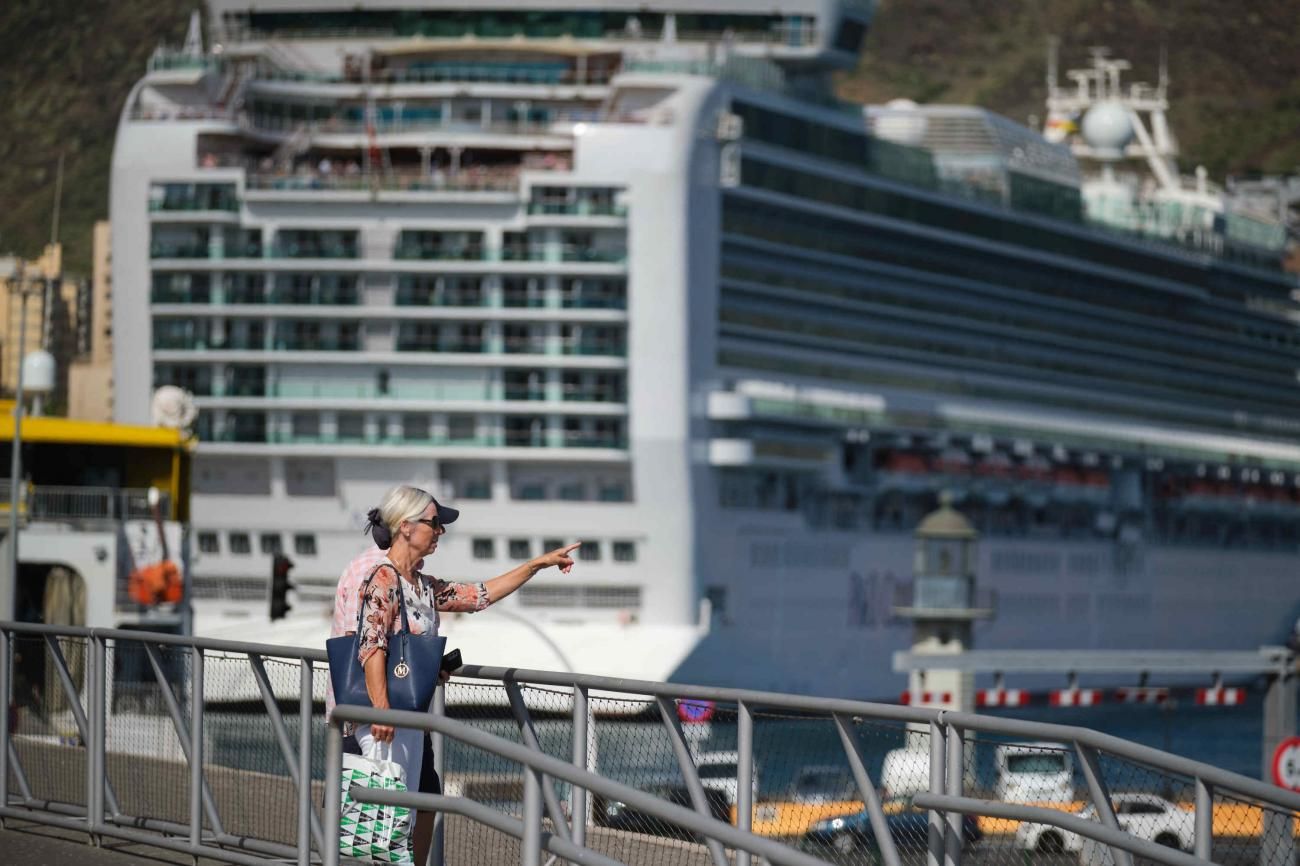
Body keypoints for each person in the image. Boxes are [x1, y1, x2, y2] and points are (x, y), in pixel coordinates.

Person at [329, 484, 578, 866]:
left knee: (405, 814)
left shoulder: (423, 587)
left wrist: (535, 565)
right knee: (382, 823)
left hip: (410, 718)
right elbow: (371, 645)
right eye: (434, 523)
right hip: (386, 721)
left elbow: (479, 595)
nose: (440, 532)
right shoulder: (382, 578)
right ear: (406, 527)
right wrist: (381, 711)